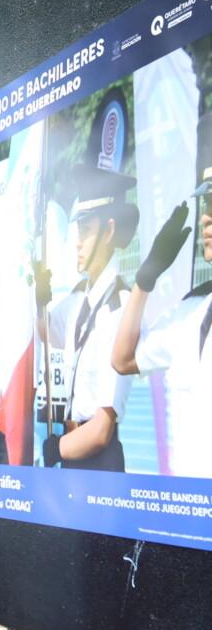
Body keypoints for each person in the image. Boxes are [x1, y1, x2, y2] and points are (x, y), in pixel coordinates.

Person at [112, 117, 211, 478]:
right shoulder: (193, 311)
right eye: (207, 202)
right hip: (184, 521)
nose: (207, 218)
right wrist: (146, 277)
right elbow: (122, 359)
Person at [35, 165, 138, 470]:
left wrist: (57, 450)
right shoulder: (81, 299)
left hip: (97, 462)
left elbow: (101, 430)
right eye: (77, 229)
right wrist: (39, 296)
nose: (77, 241)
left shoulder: (120, 307)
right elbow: (47, 332)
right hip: (73, 455)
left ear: (108, 231)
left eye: (86, 230)